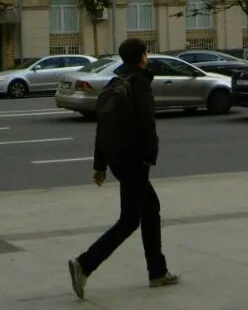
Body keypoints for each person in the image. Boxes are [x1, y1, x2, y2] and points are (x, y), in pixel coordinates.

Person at [68, 38, 177, 300]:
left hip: (118, 159)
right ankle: (85, 264)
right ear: (141, 57)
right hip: (135, 161)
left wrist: (100, 165)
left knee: (150, 210)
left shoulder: (115, 82)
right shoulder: (138, 84)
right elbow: (147, 125)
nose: (147, 57)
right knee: (130, 220)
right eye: (146, 54)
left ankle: (157, 271)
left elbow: (101, 126)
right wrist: (149, 158)